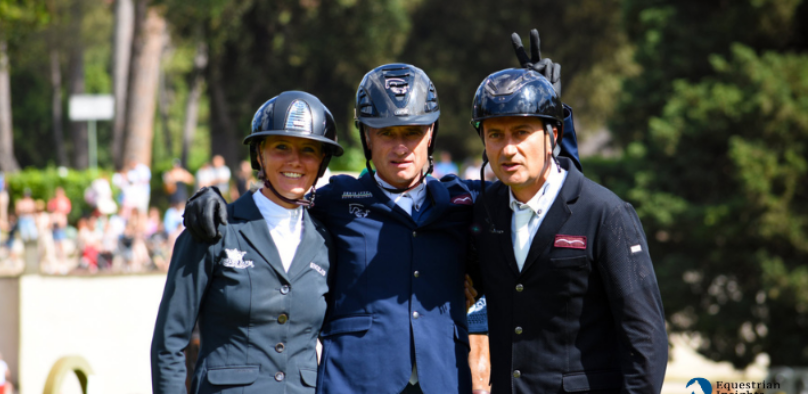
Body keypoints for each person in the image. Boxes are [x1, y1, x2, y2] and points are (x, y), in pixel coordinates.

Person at [183, 32, 583, 394]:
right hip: (354, 381)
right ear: (366, 137)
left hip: (444, 378)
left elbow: (555, 196)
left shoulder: (466, 201)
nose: (400, 147)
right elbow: (277, 198)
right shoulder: (334, 200)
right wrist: (210, 199)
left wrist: (551, 114)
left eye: (412, 132)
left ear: (431, 134)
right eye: (386, 133)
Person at [468, 63, 668, 392]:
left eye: (521, 132)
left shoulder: (606, 213)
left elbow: (645, 339)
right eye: (495, 135)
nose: (508, 149)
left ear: (553, 136)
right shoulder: (482, 212)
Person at [151, 91, 344, 393]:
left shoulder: (325, 242)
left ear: (322, 162)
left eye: (308, 150)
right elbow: (169, 343)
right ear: (260, 154)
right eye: (281, 147)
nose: (295, 160)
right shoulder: (214, 228)